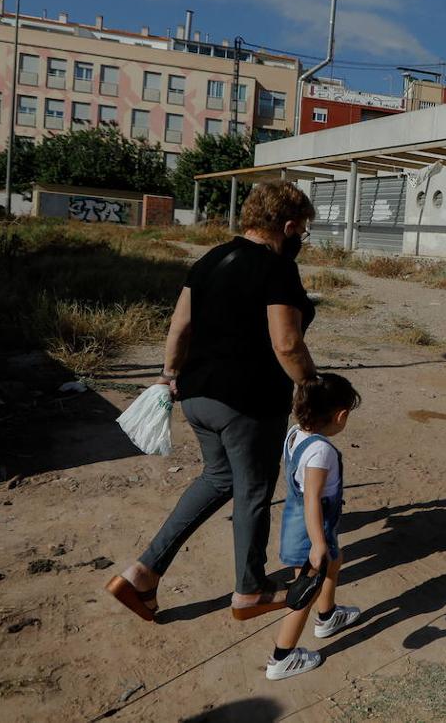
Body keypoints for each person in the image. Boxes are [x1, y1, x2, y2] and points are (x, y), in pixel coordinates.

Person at [106, 180, 319, 622]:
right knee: (253, 492)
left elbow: (179, 327)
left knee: (218, 479)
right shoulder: (275, 267)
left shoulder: (209, 260)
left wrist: (169, 375)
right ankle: (249, 591)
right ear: (289, 224)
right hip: (248, 400)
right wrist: (311, 385)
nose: (301, 238)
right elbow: (286, 343)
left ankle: (143, 572)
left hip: (197, 396)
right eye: (302, 230)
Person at [267, 373, 362, 680]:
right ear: (341, 415)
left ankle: (329, 615)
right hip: (312, 530)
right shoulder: (321, 452)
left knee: (335, 562)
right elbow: (312, 499)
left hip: (301, 523)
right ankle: (281, 658)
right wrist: (318, 543)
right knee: (303, 593)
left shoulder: (296, 433)